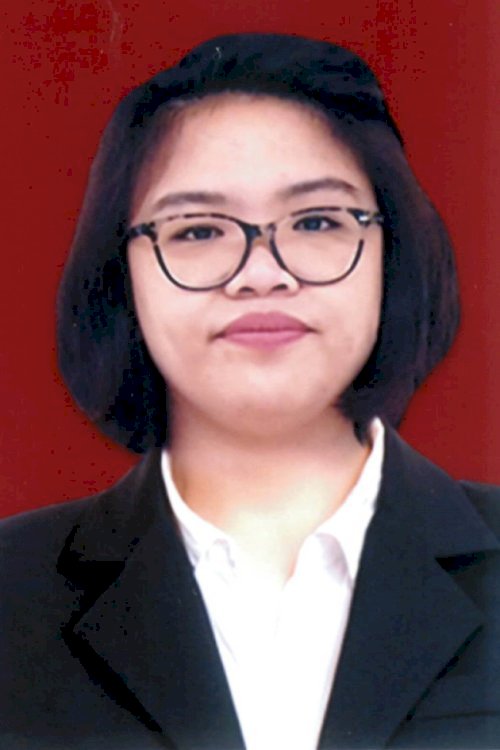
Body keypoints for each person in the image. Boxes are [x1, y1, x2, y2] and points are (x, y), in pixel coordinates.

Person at [1, 32, 499, 750]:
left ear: (394, 254)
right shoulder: (11, 590)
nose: (262, 274)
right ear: (120, 275)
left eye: (318, 221)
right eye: (198, 230)